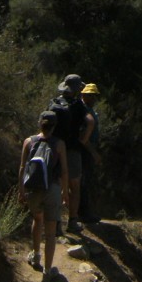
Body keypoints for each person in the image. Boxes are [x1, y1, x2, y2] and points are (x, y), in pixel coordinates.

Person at [18, 110, 68, 282]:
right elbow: (64, 170)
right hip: (52, 189)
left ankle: (36, 255)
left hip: (33, 189)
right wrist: (65, 191)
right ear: (54, 126)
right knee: (51, 231)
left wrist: (21, 190)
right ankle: (47, 271)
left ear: (39, 123)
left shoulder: (28, 142)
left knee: (37, 219)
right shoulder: (59, 144)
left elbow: (23, 167)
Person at [49, 74, 88, 235]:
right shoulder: (78, 105)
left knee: (57, 186)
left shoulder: (54, 103)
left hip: (55, 148)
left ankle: (56, 223)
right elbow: (89, 122)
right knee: (74, 186)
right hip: (72, 150)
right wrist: (83, 141)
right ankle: (72, 221)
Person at [77, 83, 103, 224]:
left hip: (88, 150)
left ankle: (86, 211)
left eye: (95, 96)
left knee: (86, 182)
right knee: (83, 182)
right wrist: (94, 153)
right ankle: (83, 213)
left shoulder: (88, 110)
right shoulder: (83, 112)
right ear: (84, 96)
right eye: (91, 95)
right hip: (84, 151)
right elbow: (83, 137)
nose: (93, 98)